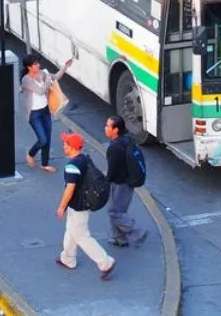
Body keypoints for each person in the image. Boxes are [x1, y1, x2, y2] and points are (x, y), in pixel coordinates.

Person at [57, 132, 117, 280]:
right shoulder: (84, 159)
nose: (63, 145)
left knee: (82, 236)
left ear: (71, 147)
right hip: (85, 203)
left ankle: (106, 262)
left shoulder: (72, 166)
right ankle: (68, 258)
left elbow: (70, 189)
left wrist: (61, 207)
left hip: (78, 206)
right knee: (72, 231)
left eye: (66, 143)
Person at [23, 54, 72, 172]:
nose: (38, 65)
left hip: (44, 110)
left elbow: (55, 77)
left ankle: (45, 164)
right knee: (42, 139)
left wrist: (65, 67)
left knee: (47, 138)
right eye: (35, 64)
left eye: (38, 63)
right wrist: (48, 81)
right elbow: (40, 91)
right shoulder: (26, 80)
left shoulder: (42, 73)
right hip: (34, 114)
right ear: (29, 67)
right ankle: (30, 154)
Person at [105, 116, 148, 248]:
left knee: (115, 212)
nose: (105, 128)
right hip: (127, 181)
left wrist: (105, 181)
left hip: (120, 183)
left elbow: (111, 170)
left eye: (108, 126)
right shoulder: (127, 140)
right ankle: (119, 238)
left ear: (115, 130)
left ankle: (137, 232)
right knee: (118, 209)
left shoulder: (114, 147)